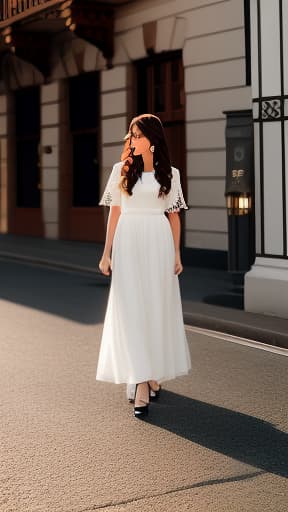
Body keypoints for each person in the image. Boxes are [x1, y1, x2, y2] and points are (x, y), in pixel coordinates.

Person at [96, 113, 191, 418]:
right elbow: (115, 213)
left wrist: (176, 254)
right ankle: (139, 382)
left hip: (158, 243)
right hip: (128, 243)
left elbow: (174, 216)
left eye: (137, 136)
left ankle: (150, 372)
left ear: (153, 140)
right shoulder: (120, 171)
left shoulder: (171, 174)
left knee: (154, 309)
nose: (132, 141)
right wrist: (106, 252)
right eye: (131, 136)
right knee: (132, 310)